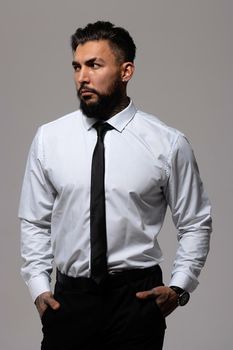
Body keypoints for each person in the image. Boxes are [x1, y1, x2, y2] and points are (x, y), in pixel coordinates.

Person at [18, 21, 212, 350]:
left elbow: (195, 222)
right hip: (70, 300)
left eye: (94, 65)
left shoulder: (167, 143)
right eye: (77, 66)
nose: (82, 76)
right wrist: (39, 288)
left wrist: (179, 288)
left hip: (136, 299)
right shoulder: (49, 139)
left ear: (126, 71)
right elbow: (34, 220)